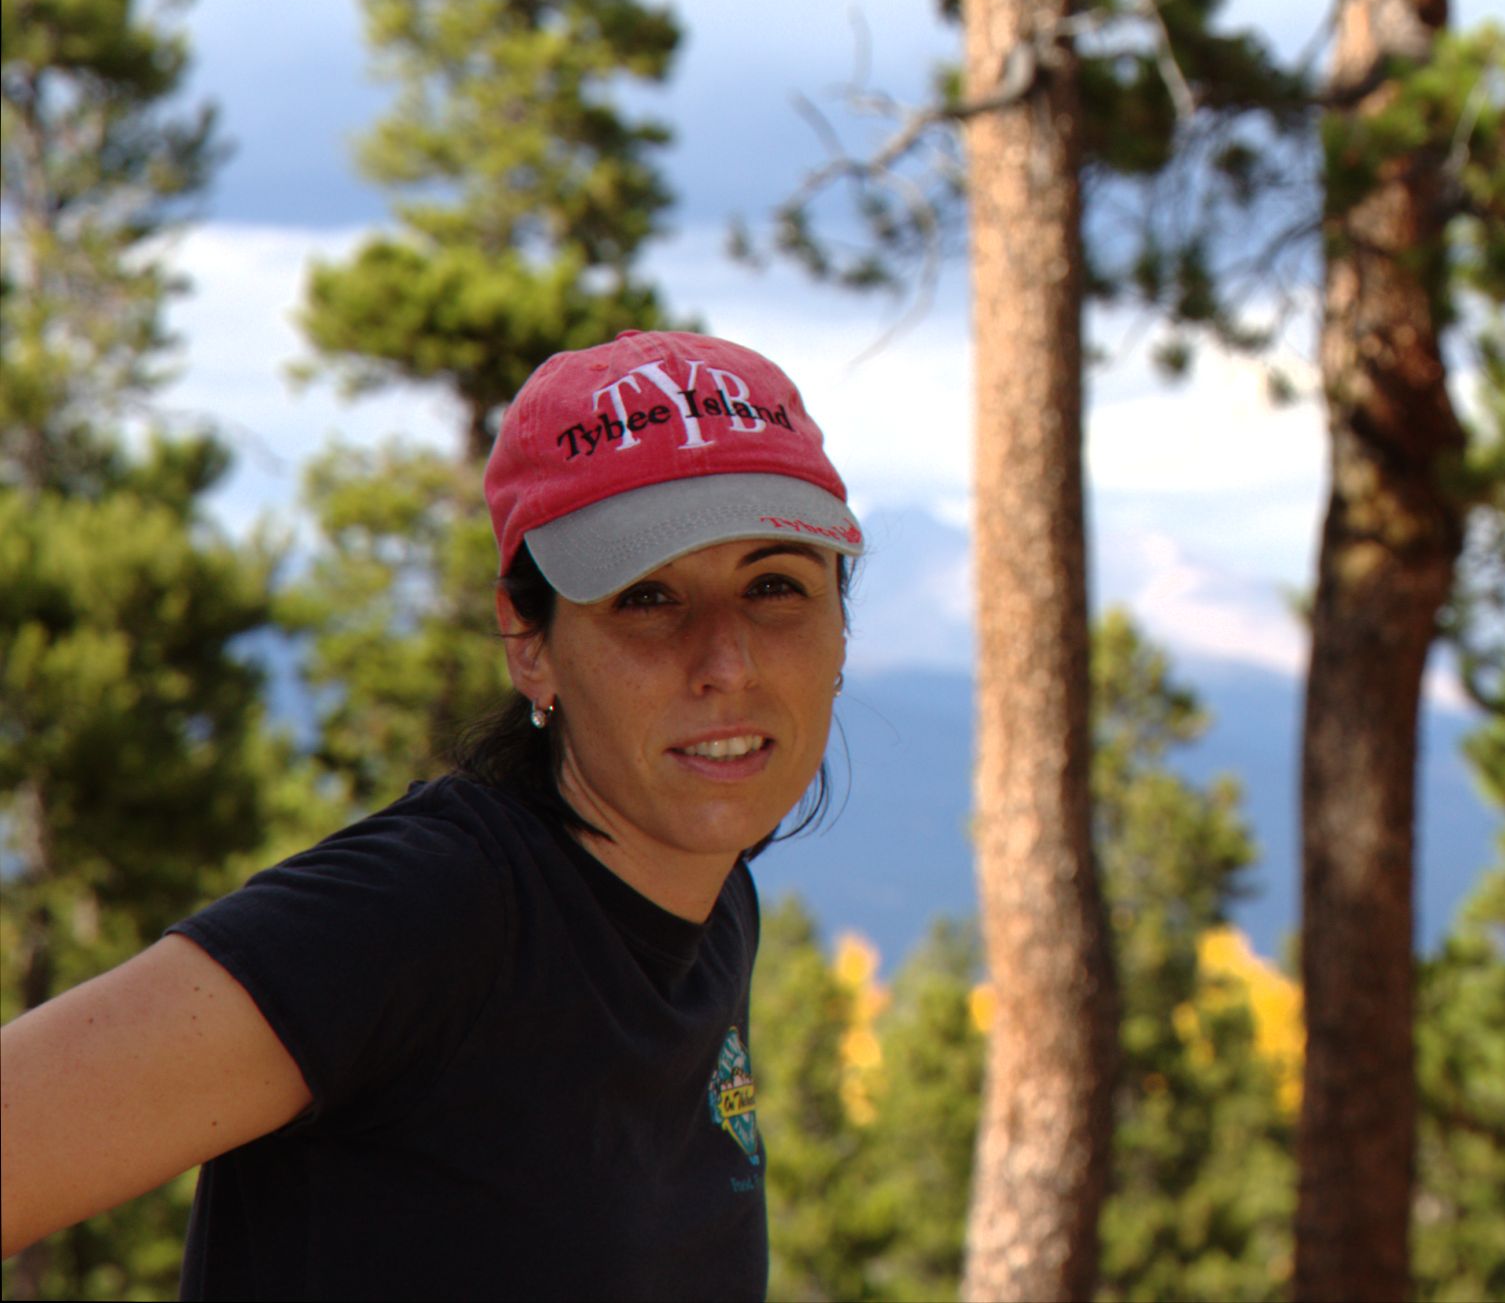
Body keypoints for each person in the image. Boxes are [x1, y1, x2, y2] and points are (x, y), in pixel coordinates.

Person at [0, 330, 865, 1300]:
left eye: (775, 586)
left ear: (838, 621)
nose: (728, 661)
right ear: (528, 642)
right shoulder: (422, 911)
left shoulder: (705, 907)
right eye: (648, 596)